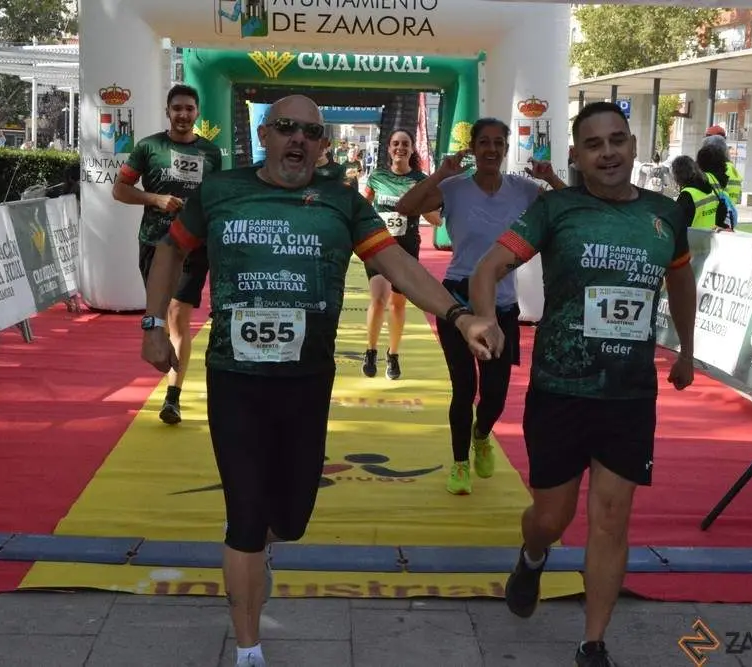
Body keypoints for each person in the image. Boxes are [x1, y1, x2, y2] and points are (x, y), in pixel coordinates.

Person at [140, 94, 502, 667]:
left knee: (292, 518)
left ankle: (265, 546)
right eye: (286, 128)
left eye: (312, 132)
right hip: (235, 379)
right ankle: (248, 648)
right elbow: (169, 249)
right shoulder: (221, 192)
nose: (299, 140)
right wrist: (155, 323)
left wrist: (458, 316)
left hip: (306, 383)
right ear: (265, 135)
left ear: (324, 145)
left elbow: (399, 265)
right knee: (246, 515)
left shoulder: (341, 203)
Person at [469, 101, 698, 667]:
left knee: (611, 519)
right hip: (561, 388)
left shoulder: (666, 215)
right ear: (576, 156)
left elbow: (680, 278)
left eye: (617, 139)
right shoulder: (557, 209)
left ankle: (593, 642)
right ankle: (532, 554)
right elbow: (487, 269)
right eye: (594, 145)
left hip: (628, 393)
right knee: (552, 517)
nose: (609, 152)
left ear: (634, 145)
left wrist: (688, 350)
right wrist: (482, 322)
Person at [396, 117, 564, 495]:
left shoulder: (523, 189)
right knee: (463, 387)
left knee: (495, 393)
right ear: (472, 148)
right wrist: (440, 172)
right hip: (457, 298)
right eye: (483, 143)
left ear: (506, 149)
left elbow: (570, 211)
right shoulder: (453, 188)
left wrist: (552, 178)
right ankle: (458, 464)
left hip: (502, 304)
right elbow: (406, 206)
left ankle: (482, 434)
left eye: (498, 144)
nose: (490, 150)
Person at [113, 84, 223, 425]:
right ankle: (162, 357)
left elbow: (217, 200)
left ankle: (173, 396)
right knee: (158, 316)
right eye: (177, 108)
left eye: (189, 108)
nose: (183, 115)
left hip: (193, 246)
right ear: (168, 111)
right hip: (153, 242)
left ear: (198, 113)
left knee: (177, 315)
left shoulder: (211, 153)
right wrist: (156, 199)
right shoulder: (149, 147)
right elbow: (120, 190)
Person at [361, 129, 442, 380]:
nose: (400, 148)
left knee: (397, 304)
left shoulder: (421, 179)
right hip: (378, 247)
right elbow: (364, 208)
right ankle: (370, 350)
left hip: (406, 248)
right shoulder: (377, 177)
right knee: (378, 297)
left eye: (405, 144)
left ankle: (393, 354)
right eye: (395, 143)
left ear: (412, 149)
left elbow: (435, 220)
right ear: (389, 148)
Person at [671, 155, 729, 231]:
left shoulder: (687, 195)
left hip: (692, 240)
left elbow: (678, 225)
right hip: (709, 238)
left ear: (678, 175)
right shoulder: (709, 188)